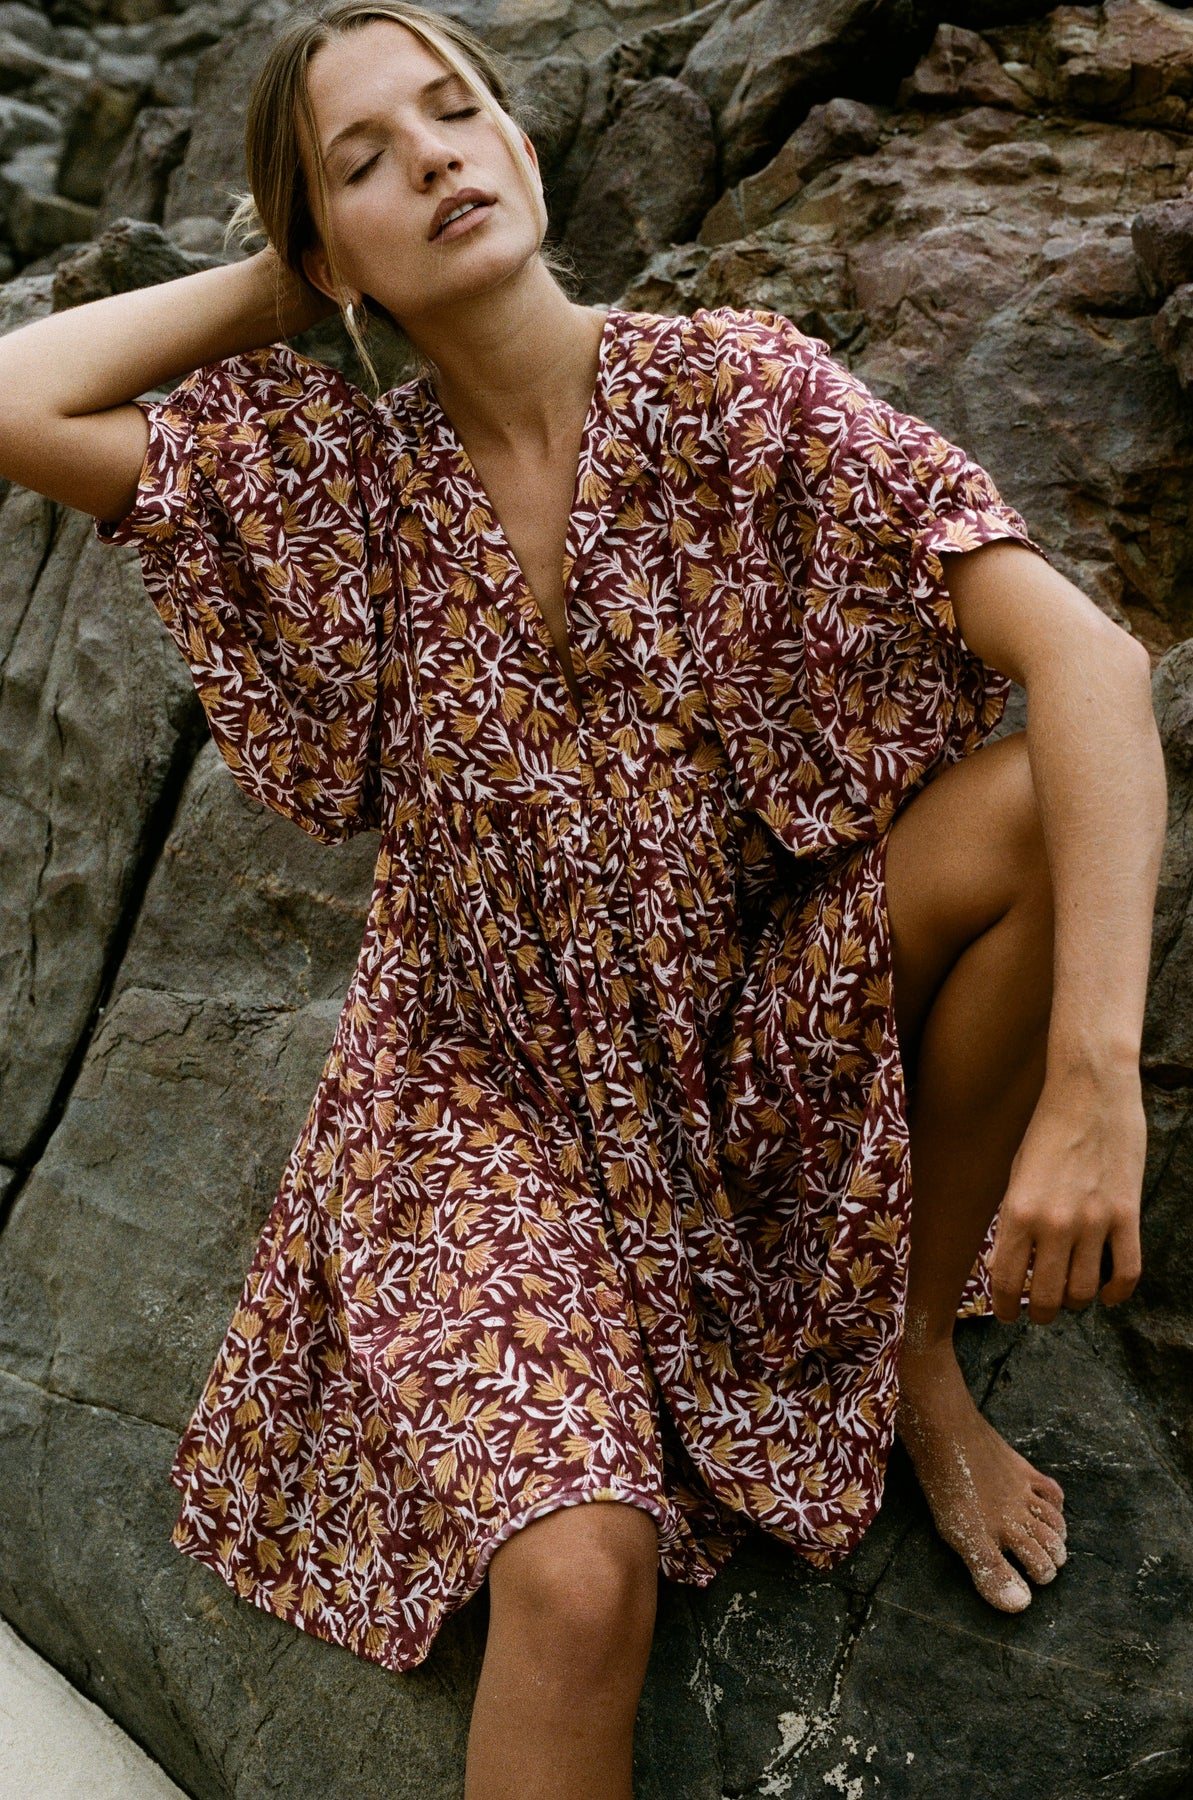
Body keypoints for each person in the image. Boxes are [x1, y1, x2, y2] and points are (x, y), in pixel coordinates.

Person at [0, 3, 1166, 1795]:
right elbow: (17, 401)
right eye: (365, 161)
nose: (434, 158)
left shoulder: (736, 394)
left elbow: (1084, 663)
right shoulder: (335, 489)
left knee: (1017, 813)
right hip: (483, 1096)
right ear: (326, 249)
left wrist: (1094, 1083)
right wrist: (294, 282)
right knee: (573, 1578)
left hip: (750, 1033)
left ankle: (911, 1345)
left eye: (454, 113)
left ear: (526, 150)